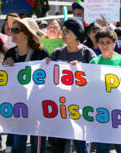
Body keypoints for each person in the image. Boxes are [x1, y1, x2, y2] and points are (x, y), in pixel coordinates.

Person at [48, 18, 96, 153]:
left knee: (80, 144)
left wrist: (80, 70)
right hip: (60, 106)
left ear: (77, 35)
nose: (63, 34)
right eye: (62, 31)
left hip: (79, 107)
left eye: (67, 31)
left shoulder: (87, 54)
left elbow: (94, 78)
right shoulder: (57, 53)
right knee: (58, 144)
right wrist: (46, 64)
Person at [2, 17, 49, 153]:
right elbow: (5, 80)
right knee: (17, 145)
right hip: (19, 107)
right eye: (12, 30)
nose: (13, 33)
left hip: (37, 107)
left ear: (27, 34)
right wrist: (6, 66)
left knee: (37, 146)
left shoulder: (41, 53)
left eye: (17, 30)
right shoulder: (10, 53)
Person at [89, 27, 121, 153]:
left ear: (115, 43)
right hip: (101, 110)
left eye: (108, 42)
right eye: (101, 42)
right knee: (102, 146)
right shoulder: (93, 62)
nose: (105, 45)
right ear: (97, 44)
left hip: (118, 109)